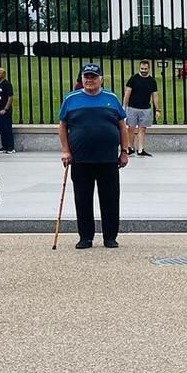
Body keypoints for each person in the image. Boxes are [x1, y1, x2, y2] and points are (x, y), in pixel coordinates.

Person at [58, 63, 128, 249]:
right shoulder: (71, 99)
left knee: (111, 199)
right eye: (86, 76)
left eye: (93, 77)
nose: (89, 80)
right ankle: (85, 237)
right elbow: (63, 126)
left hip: (108, 159)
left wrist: (124, 151)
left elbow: (122, 126)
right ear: (81, 79)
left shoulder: (111, 98)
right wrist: (65, 150)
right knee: (82, 199)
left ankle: (110, 236)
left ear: (101, 79)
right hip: (81, 159)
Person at [123, 59, 159, 157]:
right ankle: (130, 147)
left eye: (145, 69)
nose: (143, 70)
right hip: (132, 107)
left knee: (142, 129)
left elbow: (155, 96)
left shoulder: (152, 81)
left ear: (149, 69)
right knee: (131, 128)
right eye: (142, 68)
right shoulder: (133, 79)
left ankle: (141, 149)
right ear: (139, 68)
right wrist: (124, 106)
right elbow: (127, 93)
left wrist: (157, 109)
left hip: (145, 108)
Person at [0, 66, 15, 153]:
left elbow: (10, 97)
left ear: (3, 74)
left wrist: (5, 109)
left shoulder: (7, 84)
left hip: (4, 111)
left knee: (7, 128)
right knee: (2, 129)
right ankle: (4, 146)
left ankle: (11, 147)